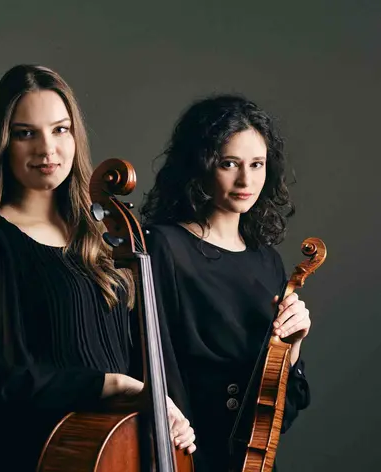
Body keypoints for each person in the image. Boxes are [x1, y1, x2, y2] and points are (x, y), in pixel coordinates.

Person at [0, 64, 196, 472]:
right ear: (4, 143)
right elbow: (3, 377)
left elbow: (140, 354)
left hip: (107, 451)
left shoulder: (104, 237)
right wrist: (111, 384)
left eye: (60, 130)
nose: (46, 149)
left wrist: (166, 412)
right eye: (25, 133)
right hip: (21, 455)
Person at [140, 94, 311, 471]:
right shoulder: (163, 247)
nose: (246, 180)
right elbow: (148, 363)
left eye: (257, 164)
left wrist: (292, 346)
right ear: (200, 164)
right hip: (184, 454)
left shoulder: (268, 261)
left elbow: (277, 416)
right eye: (229, 163)